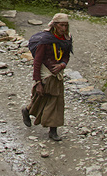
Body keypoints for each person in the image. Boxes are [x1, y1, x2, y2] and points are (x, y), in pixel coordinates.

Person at [22, 13, 72, 141]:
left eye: (66, 26)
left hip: (57, 73)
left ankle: (53, 131)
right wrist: (38, 82)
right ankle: (27, 111)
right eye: (61, 25)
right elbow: (37, 62)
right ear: (55, 25)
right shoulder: (45, 41)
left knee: (57, 100)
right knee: (40, 98)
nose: (64, 28)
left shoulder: (66, 39)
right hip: (46, 73)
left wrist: (62, 65)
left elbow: (66, 55)